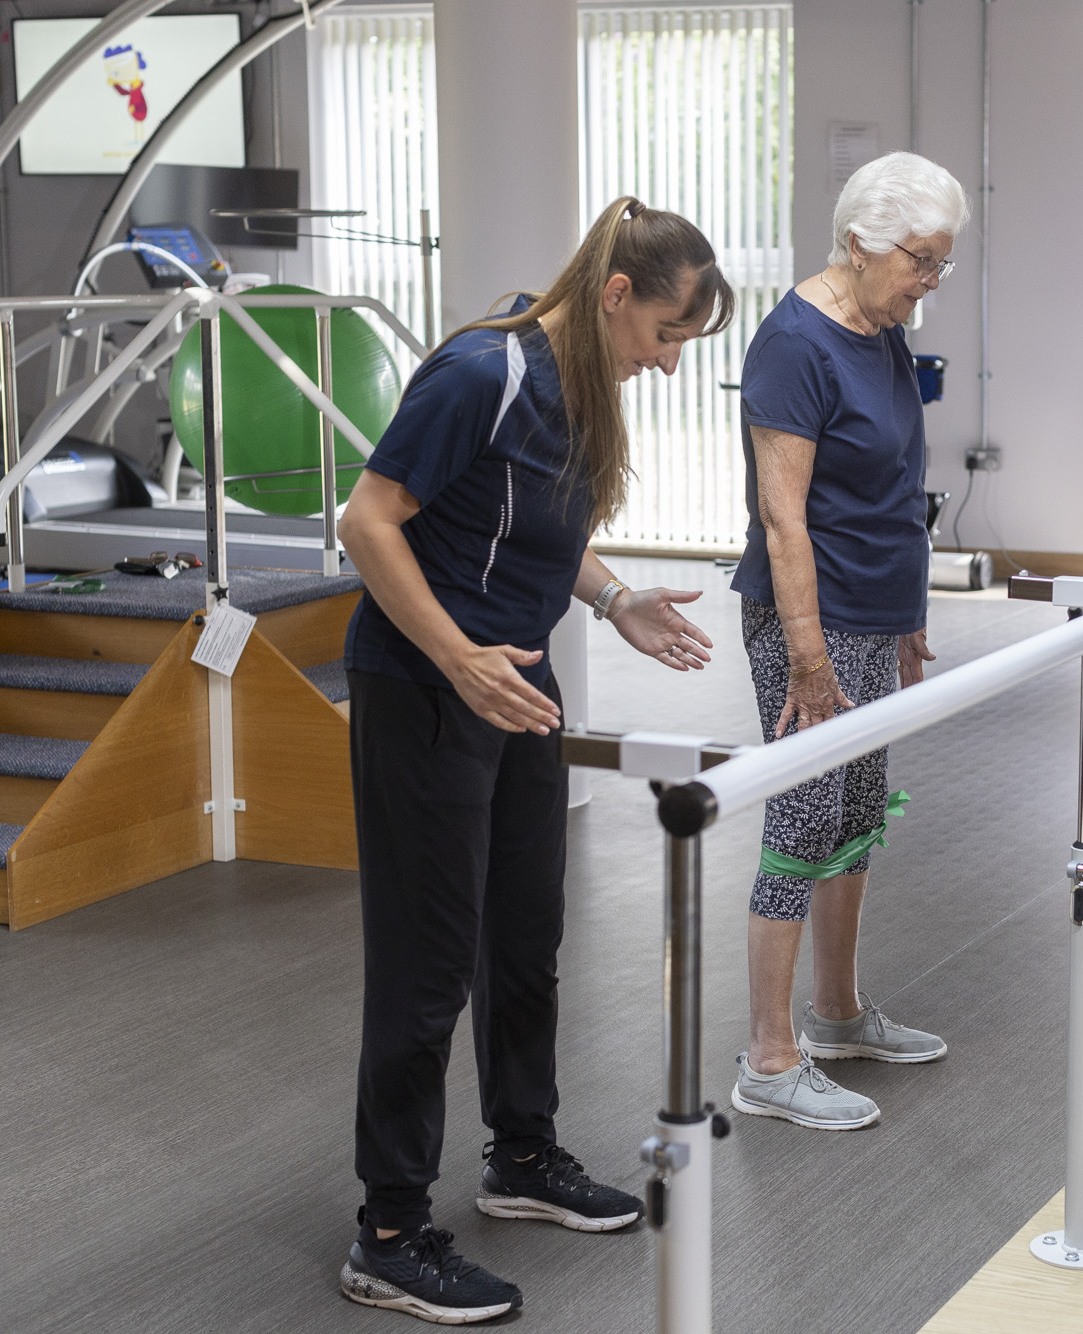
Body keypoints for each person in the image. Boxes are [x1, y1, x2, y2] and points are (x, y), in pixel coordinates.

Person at [335, 197, 733, 1325]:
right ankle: (390, 1227)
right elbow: (366, 521)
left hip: (515, 687)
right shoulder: (481, 370)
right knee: (426, 963)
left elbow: (542, 526)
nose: (664, 363)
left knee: (526, 936)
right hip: (425, 684)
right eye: (663, 334)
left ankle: (521, 1156)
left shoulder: (580, 388)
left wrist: (612, 600)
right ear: (614, 296)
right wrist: (458, 657)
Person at [727, 152, 969, 1131]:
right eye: (919, 259)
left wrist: (909, 612)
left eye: (939, 263)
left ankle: (834, 1014)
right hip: (809, 623)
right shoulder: (794, 345)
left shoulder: (883, 332)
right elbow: (784, 520)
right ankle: (767, 1057)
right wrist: (809, 657)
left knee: (856, 809)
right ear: (860, 242)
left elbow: (892, 485)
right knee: (801, 816)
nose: (928, 281)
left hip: (874, 612)